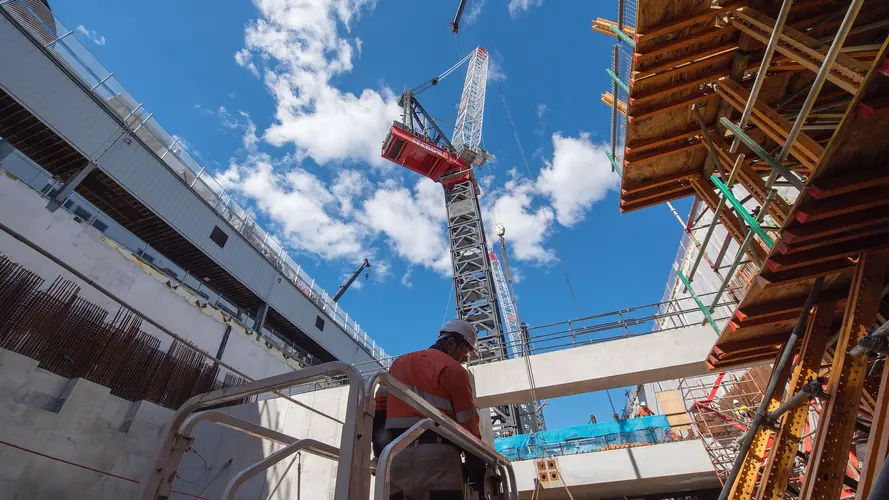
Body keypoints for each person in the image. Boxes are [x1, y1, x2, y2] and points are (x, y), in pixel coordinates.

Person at [373, 319, 483, 500]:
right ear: (451, 343)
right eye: (464, 352)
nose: (464, 358)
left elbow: (378, 410)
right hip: (439, 460)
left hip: (396, 456)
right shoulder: (454, 370)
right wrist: (477, 469)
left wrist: (380, 454)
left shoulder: (398, 364)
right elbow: (468, 426)